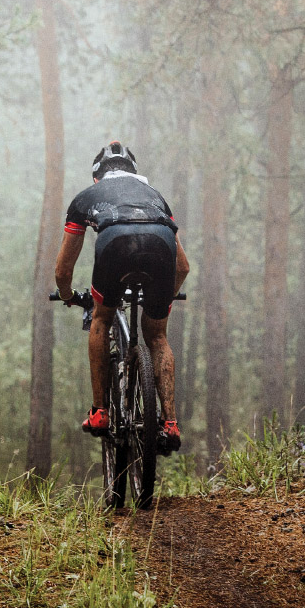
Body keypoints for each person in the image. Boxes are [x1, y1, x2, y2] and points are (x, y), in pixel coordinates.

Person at [54, 141, 190, 452]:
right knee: (157, 336)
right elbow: (182, 266)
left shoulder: (86, 198)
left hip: (114, 245)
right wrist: (164, 298)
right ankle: (169, 422)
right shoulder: (156, 198)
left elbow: (63, 270)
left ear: (96, 176)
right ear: (134, 173)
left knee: (102, 317)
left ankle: (100, 412)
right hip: (161, 246)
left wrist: (68, 295)